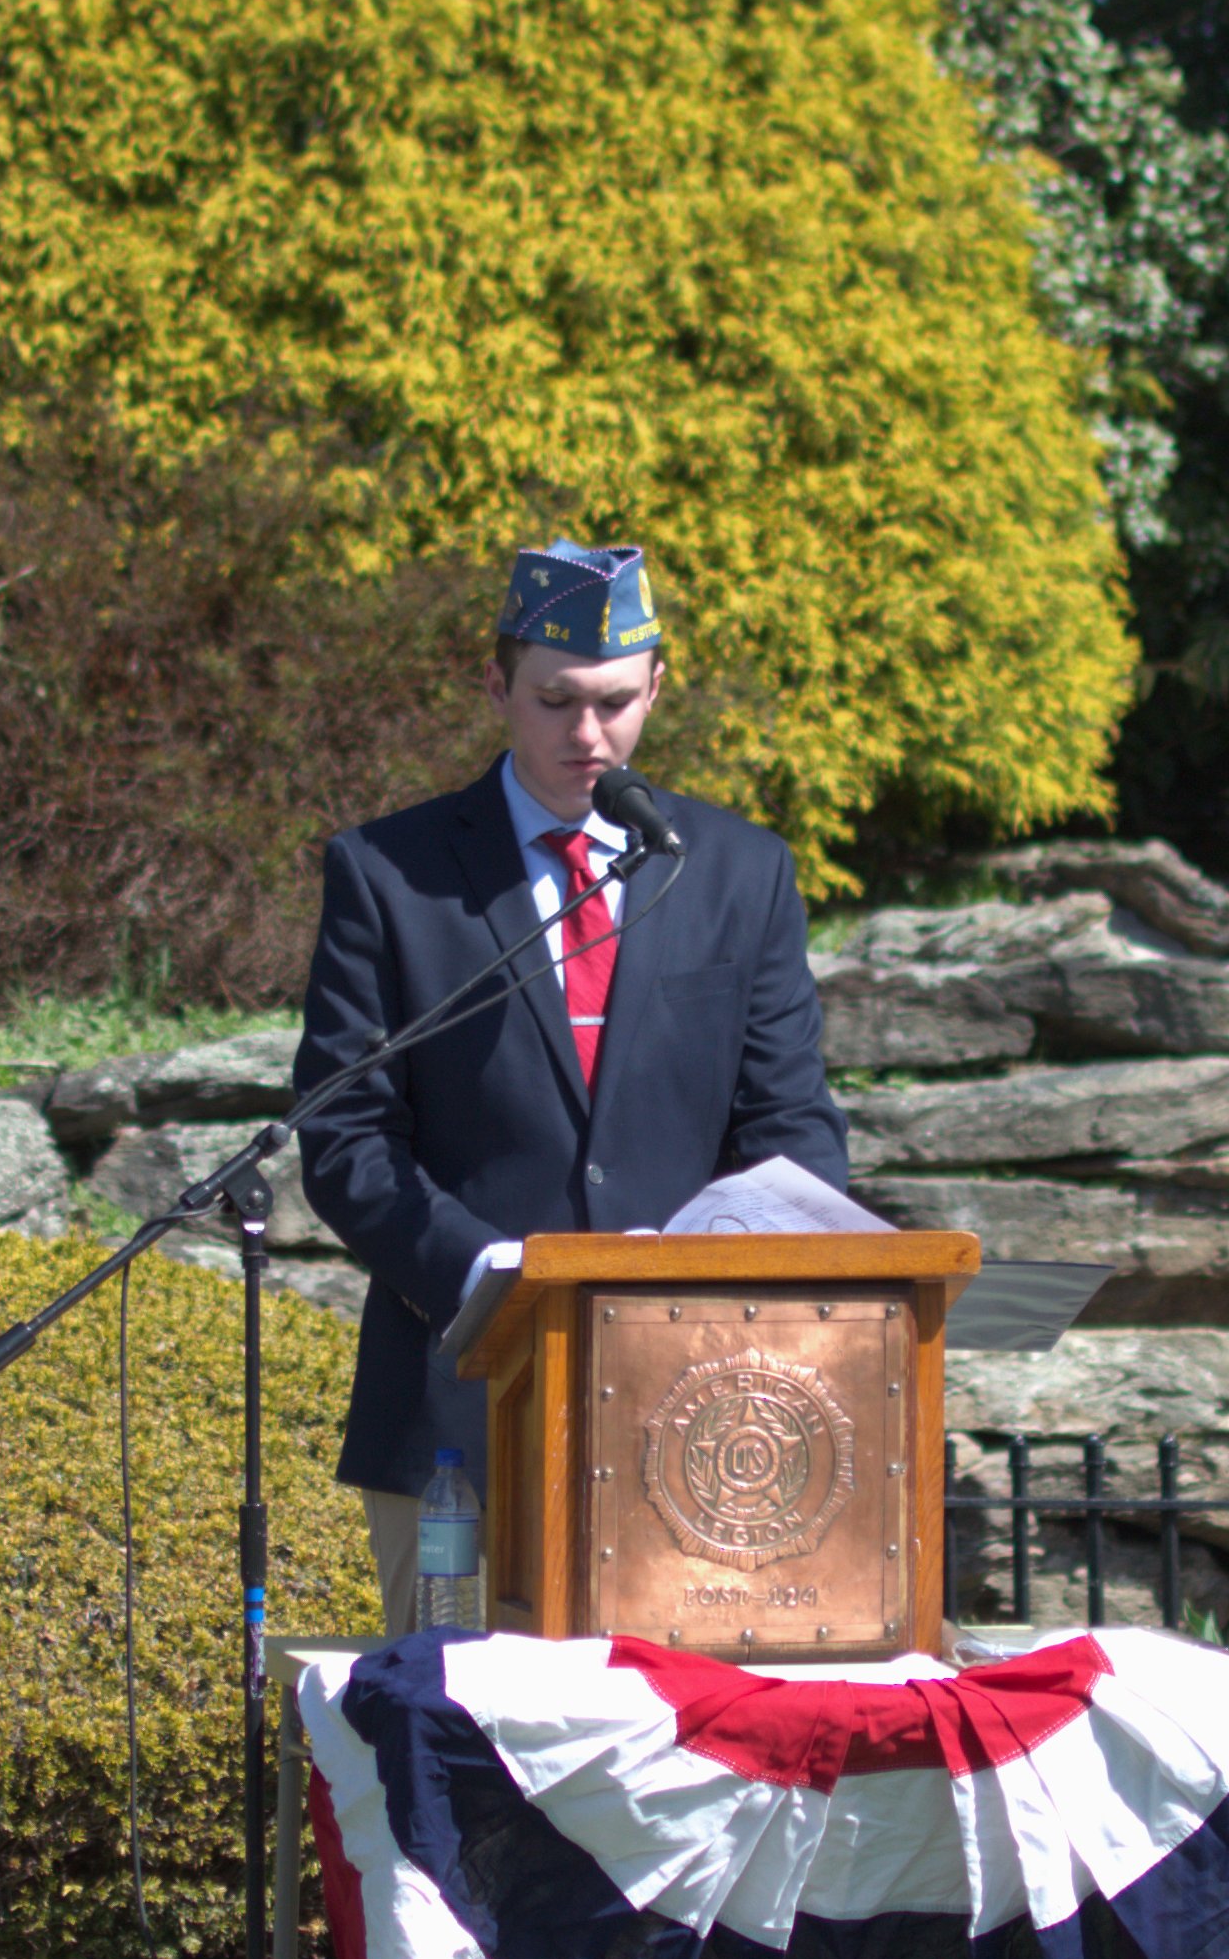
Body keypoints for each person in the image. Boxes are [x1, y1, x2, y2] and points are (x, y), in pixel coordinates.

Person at [293, 541, 846, 1612]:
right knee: (457, 1756)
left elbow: (790, 1129)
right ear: (495, 684)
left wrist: (713, 1278)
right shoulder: (388, 873)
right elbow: (347, 1136)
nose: (586, 736)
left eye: (613, 703)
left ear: (656, 687)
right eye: (553, 701)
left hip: (701, 1405)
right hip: (460, 1410)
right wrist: (493, 1276)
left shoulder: (738, 871)